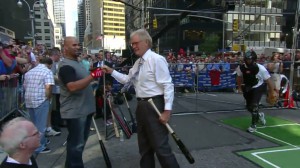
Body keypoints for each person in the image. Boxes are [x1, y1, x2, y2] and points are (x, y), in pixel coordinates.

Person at [102, 29, 179, 168]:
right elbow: (127, 80)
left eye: (136, 43)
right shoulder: (138, 63)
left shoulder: (157, 59)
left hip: (155, 104)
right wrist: (112, 71)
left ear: (147, 42)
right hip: (141, 106)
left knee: (161, 148)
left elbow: (168, 85)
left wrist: (167, 111)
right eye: (132, 44)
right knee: (144, 148)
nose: (134, 46)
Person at [57, 36, 103, 168]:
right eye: (74, 45)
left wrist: (93, 78)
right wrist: (92, 76)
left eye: (78, 45)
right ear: (65, 48)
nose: (78, 47)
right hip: (76, 112)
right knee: (76, 147)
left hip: (84, 110)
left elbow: (83, 82)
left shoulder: (77, 63)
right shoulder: (66, 66)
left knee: (78, 146)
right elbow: (72, 87)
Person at [236, 50, 276, 133]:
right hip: (247, 87)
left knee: (254, 106)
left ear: (254, 59)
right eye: (247, 59)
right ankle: (260, 115)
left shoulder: (260, 68)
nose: (248, 61)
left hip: (258, 87)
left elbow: (269, 80)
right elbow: (239, 77)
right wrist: (239, 88)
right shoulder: (241, 67)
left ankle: (253, 126)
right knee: (249, 107)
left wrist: (272, 92)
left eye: (250, 59)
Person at [23, 57, 54, 154]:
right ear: (49, 65)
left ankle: (42, 141)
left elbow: (25, 85)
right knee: (41, 125)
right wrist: (48, 98)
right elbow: (48, 87)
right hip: (40, 100)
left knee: (33, 124)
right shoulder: (47, 72)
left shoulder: (30, 72)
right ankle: (38, 147)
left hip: (29, 99)